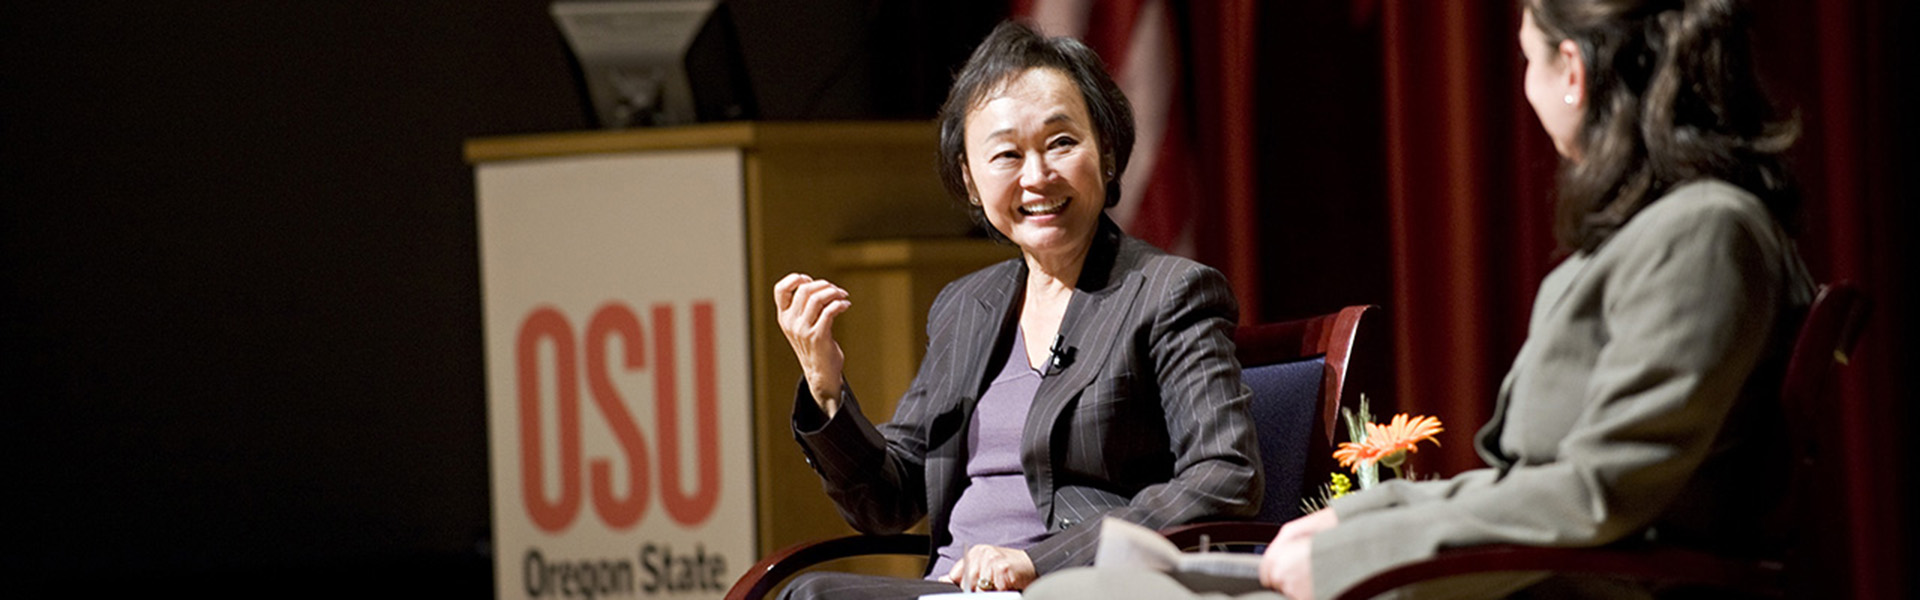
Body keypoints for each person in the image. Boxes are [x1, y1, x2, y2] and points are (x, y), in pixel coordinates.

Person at [1025, 0, 1812, 598]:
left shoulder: (1704, 232)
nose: (1530, 89)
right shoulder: (1661, 231)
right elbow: (1533, 481)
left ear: (1571, 71)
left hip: (1559, 580)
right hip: (1525, 567)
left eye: (1527, 63)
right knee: (1087, 588)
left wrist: (1351, 555)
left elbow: (1594, 493)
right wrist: (1355, 519)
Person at [770, 20, 1263, 599]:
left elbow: (1225, 473)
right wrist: (826, 389)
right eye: (1006, 154)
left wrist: (1041, 562)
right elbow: (889, 501)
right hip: (951, 591)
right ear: (970, 181)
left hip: (1077, 587)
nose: (1037, 177)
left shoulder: (1167, 292)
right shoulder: (965, 307)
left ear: (1106, 153)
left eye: (1061, 143)